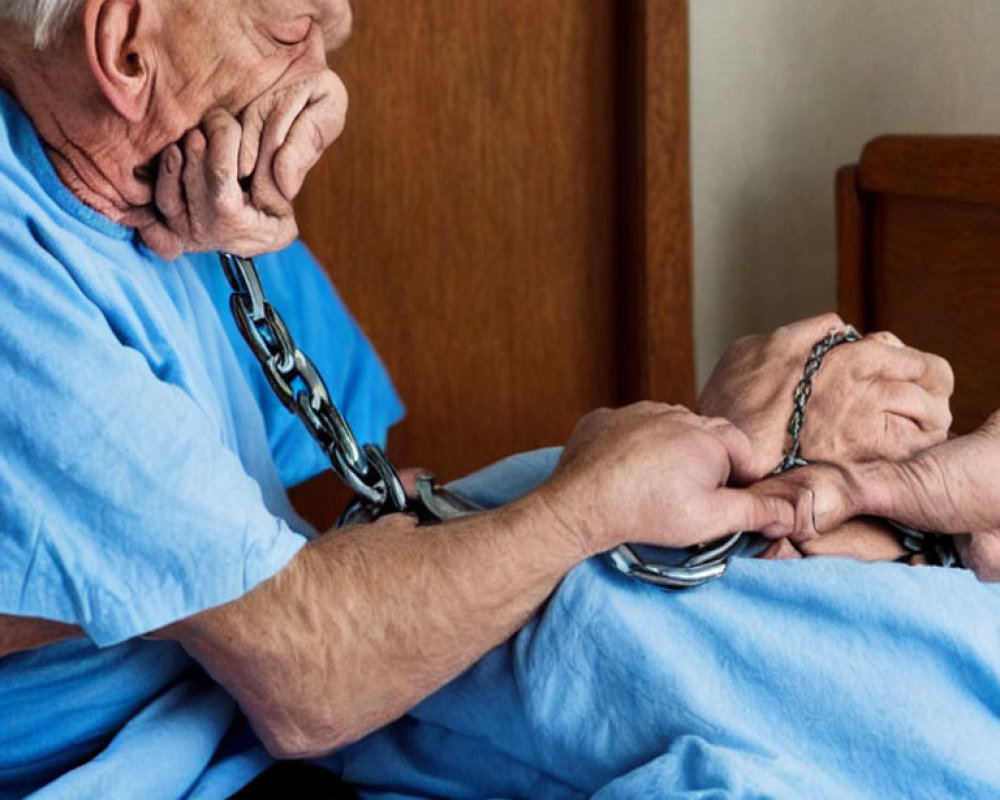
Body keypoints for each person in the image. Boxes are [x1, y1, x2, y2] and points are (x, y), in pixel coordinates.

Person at [0, 0, 960, 797]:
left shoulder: (146, 185)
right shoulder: (19, 276)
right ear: (127, 46)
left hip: (279, 699)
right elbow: (309, 676)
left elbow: (290, 534)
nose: (329, 68)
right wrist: (597, 500)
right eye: (293, 26)